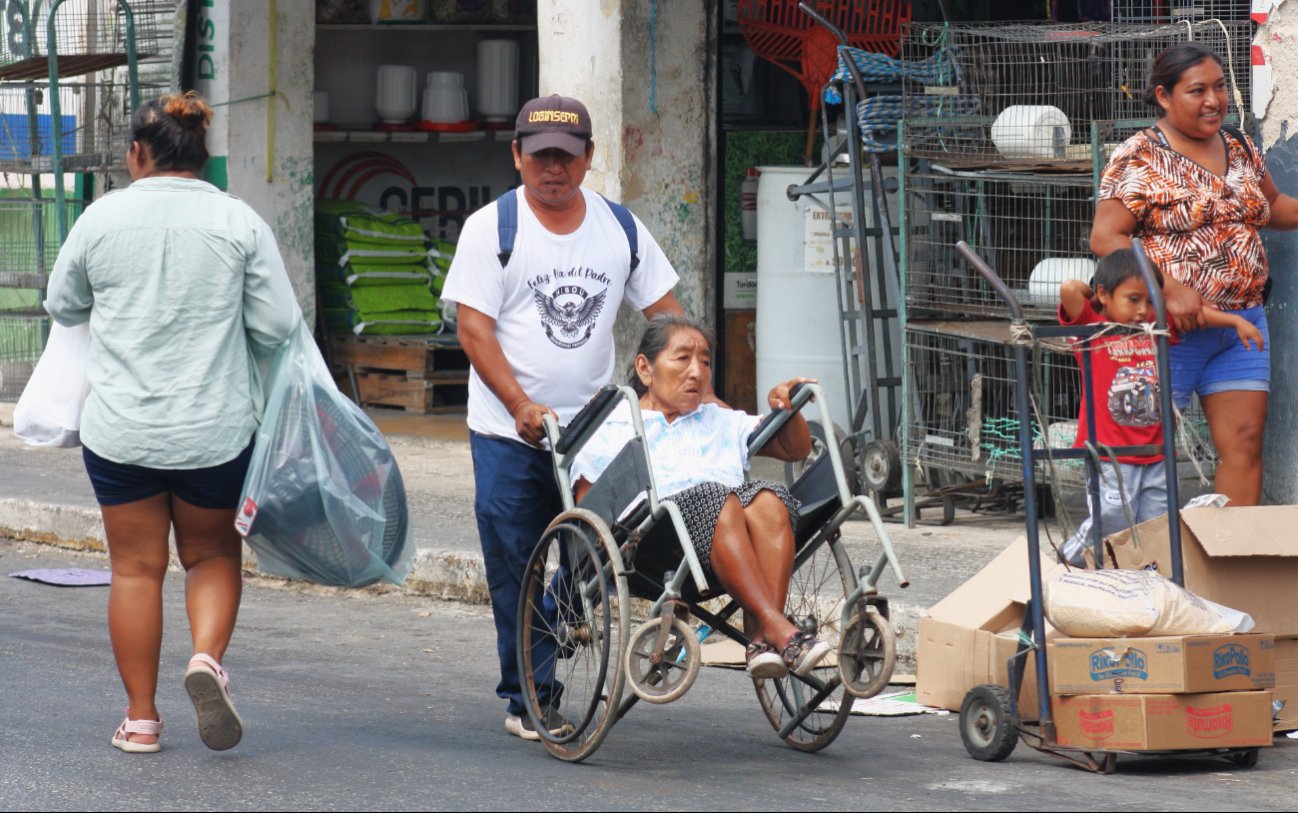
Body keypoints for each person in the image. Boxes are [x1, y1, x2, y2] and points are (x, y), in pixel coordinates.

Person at [43, 92, 300, 753]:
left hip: (122, 430)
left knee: (135, 568)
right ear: (203, 155)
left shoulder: (102, 220)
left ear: (137, 153)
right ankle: (206, 659)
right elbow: (276, 324)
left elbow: (63, 301)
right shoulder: (237, 221)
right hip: (214, 430)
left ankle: (141, 719)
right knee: (212, 553)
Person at [441, 94, 689, 740]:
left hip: (595, 431)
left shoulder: (619, 229)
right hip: (508, 432)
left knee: (605, 549)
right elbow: (473, 330)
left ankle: (559, 621)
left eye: (568, 157)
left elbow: (666, 315)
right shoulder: (491, 230)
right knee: (517, 562)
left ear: (588, 160)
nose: (554, 169)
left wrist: (685, 379)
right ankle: (531, 695)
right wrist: (520, 403)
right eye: (542, 156)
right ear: (517, 155)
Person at [1090, 42, 1298, 506]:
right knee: (1143, 449)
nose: (1214, 100)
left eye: (1221, 87)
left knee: (1243, 442)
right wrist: (1167, 287)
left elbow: (1273, 207)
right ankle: (1136, 567)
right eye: (1197, 90)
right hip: (1169, 328)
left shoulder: (1238, 144)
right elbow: (1106, 237)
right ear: (1163, 96)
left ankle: (1232, 568)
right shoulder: (1138, 155)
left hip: (1240, 325)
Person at [571, 314, 832, 678]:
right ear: (645, 369)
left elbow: (795, 449)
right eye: (683, 359)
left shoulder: (719, 419)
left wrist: (785, 410)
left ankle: (760, 639)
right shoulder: (612, 427)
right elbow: (590, 514)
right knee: (716, 497)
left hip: (728, 549)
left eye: (705, 361)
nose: (697, 372)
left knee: (771, 497)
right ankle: (779, 629)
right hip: (653, 548)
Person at [1056, 249, 1262, 567]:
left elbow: (1199, 318)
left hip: (1155, 451)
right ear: (1103, 295)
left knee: (1155, 521)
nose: (1143, 311)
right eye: (1133, 299)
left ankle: (1145, 575)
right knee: (1112, 514)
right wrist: (1098, 299)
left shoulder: (1158, 330)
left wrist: (1235, 320)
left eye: (1150, 301)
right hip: (1109, 452)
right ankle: (1072, 554)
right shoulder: (1093, 329)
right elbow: (1070, 289)